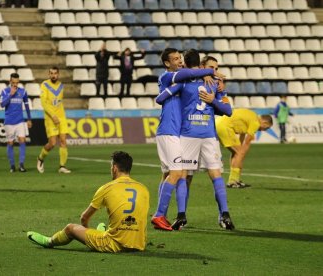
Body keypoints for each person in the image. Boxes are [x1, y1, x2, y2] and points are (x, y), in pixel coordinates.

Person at [159, 49, 234, 230]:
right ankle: (225, 215)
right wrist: (214, 96)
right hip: (208, 134)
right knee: (216, 175)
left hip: (188, 134)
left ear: (186, 62)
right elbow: (228, 111)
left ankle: (181, 215)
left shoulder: (183, 82)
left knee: (183, 175)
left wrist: (162, 96)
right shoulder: (214, 84)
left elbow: (162, 97)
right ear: (201, 65)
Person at [27, 151, 150, 252]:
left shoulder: (107, 188)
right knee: (111, 225)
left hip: (115, 245)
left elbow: (84, 219)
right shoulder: (144, 189)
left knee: (70, 228)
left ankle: (49, 241)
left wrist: (87, 233)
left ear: (115, 168)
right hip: (139, 245)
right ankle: (101, 234)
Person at [216, 108, 273, 188]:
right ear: (264, 122)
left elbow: (242, 136)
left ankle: (235, 180)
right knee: (239, 153)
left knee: (236, 152)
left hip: (219, 123)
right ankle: (233, 181)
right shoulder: (256, 122)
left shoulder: (252, 117)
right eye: (266, 128)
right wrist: (242, 153)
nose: (264, 130)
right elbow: (247, 142)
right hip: (224, 127)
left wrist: (240, 152)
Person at [37, 66, 71, 174]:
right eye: (51, 73)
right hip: (50, 117)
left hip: (61, 117)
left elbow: (59, 102)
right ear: (49, 74)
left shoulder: (61, 86)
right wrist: (53, 115)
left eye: (55, 73)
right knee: (52, 143)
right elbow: (44, 103)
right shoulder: (45, 85)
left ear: (58, 74)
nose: (53, 75)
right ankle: (40, 159)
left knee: (63, 141)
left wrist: (59, 116)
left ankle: (62, 166)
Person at [0, 73, 32, 173]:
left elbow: (26, 105)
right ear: (10, 81)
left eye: (17, 83)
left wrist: (29, 119)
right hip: (9, 121)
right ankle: (12, 165)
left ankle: (21, 164)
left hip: (20, 121)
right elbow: (2, 104)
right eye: (13, 83)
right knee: (10, 143)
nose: (15, 85)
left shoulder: (23, 92)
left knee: (22, 140)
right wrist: (10, 95)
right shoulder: (5, 91)